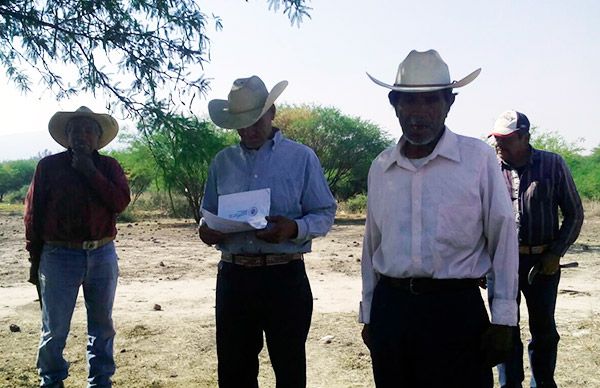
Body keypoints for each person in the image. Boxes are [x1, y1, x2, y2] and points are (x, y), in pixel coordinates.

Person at [359, 49, 519, 387]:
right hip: (392, 310)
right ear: (394, 104)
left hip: (455, 313)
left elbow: (503, 237)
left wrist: (504, 319)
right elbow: (372, 246)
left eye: (431, 102)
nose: (419, 113)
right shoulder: (381, 167)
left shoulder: (477, 160)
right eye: (409, 102)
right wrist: (370, 313)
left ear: (449, 103)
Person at [199, 75, 337, 388]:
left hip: (284, 279)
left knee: (289, 370)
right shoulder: (223, 162)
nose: (247, 130)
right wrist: (206, 230)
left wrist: (294, 229)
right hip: (234, 279)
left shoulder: (302, 158)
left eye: (254, 120)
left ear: (272, 111)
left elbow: (325, 212)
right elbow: (207, 214)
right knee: (234, 372)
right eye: (240, 123)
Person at [24, 106, 130, 388]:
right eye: (75, 130)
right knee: (55, 329)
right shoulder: (48, 167)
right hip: (58, 256)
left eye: (88, 130)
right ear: (66, 136)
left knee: (102, 326)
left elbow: (120, 202)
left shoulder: (109, 167)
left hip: (102, 253)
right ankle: (52, 381)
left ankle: (100, 382)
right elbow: (33, 214)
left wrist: (89, 171)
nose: (82, 136)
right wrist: (35, 260)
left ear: (98, 137)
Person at [489, 110, 584, 388]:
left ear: (525, 137)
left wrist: (556, 253)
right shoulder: (490, 168)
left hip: (542, 264)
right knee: (505, 328)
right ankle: (510, 385)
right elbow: (477, 218)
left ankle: (542, 383)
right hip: (501, 264)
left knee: (543, 331)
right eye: (495, 138)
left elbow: (575, 213)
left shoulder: (553, 164)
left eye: (505, 139)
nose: (499, 144)